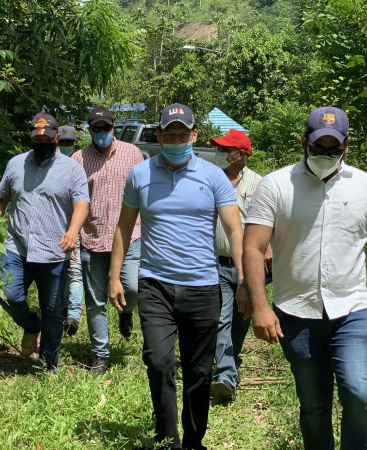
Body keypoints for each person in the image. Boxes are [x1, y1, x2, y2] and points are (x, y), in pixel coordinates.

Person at [108, 104, 246, 450]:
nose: (175, 139)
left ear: (193, 136)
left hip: (203, 287)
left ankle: (193, 440)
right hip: (155, 284)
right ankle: (167, 437)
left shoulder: (213, 176)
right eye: (169, 133)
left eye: (182, 134)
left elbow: (234, 229)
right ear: (159, 136)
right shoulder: (140, 174)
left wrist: (244, 281)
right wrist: (114, 277)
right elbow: (125, 227)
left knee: (199, 372)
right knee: (158, 360)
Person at [244, 106, 367, 450]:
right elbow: (253, 247)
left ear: (347, 145)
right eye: (317, 148)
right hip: (296, 312)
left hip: (353, 309)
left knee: (360, 391)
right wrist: (260, 306)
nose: (325, 155)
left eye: (334, 149)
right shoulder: (276, 185)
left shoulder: (363, 186)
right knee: (313, 406)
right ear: (303, 142)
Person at [0, 113, 89, 372]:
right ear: (31, 137)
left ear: (56, 138)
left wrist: (73, 231)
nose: (42, 143)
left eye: (47, 138)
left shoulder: (72, 169)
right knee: (10, 295)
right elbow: (0, 200)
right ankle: (31, 325)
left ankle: (48, 364)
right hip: (16, 246)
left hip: (53, 251)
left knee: (52, 310)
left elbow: (82, 204)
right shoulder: (16, 164)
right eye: (37, 138)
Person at [71, 106, 144, 375]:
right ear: (89, 130)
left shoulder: (132, 154)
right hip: (93, 237)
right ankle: (100, 355)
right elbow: (75, 201)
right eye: (96, 129)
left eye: (107, 128)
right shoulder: (79, 159)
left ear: (114, 127)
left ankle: (126, 313)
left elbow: (143, 193)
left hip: (130, 236)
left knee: (133, 288)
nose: (102, 133)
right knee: (95, 302)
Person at [208, 129, 272, 403]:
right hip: (218, 263)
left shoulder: (259, 184)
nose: (220, 154)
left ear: (241, 154)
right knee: (221, 319)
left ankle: (229, 367)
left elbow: (270, 222)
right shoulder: (211, 181)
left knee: (240, 319)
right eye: (219, 149)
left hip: (250, 266)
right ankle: (225, 375)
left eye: (226, 150)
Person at [57, 125, 84, 336]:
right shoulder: (50, 162)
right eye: (61, 142)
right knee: (60, 272)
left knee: (75, 271)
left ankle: (73, 314)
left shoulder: (80, 164)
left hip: (77, 228)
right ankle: (64, 308)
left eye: (68, 143)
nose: (65, 146)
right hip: (55, 227)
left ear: (75, 143)